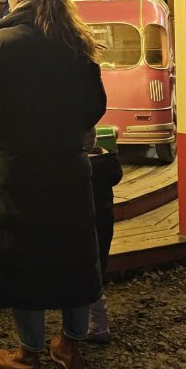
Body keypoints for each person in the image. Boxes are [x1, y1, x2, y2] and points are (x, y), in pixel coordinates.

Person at [0, 0, 107, 369]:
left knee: (21, 256)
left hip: (18, 167)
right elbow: (94, 106)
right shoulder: (74, 41)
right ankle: (72, 347)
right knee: (72, 252)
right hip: (67, 163)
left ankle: (28, 357)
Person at [85, 129, 123, 343]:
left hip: (83, 226)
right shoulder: (106, 164)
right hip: (102, 224)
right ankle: (99, 324)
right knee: (97, 266)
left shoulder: (79, 171)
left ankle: (78, 329)